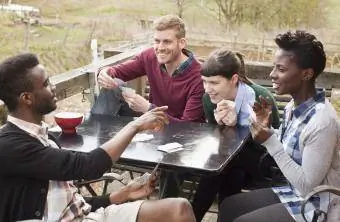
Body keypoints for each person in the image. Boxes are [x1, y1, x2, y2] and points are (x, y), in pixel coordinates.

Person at [0, 53, 196, 222]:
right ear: (27, 98)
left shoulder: (46, 136)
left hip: (87, 216)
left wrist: (122, 194)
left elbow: (74, 204)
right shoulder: (9, 145)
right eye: (45, 84)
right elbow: (89, 165)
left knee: (180, 210)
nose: (53, 87)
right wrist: (135, 125)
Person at [218, 31, 340, 222]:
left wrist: (270, 141)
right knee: (230, 206)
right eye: (274, 67)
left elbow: (307, 186)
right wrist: (268, 129)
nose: (272, 75)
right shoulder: (294, 107)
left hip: (319, 205)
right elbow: (292, 149)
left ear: (306, 74)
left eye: (281, 69)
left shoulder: (322, 122)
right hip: (294, 192)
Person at [191, 49, 281, 221]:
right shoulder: (208, 100)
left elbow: (274, 142)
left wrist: (238, 126)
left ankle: (193, 216)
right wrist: (222, 126)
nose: (208, 89)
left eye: (214, 83)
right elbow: (217, 141)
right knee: (230, 172)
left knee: (219, 168)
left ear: (233, 79)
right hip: (231, 163)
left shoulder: (260, 96)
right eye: (204, 82)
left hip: (263, 160)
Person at [97, 14, 205, 123]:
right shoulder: (150, 56)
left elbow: (188, 129)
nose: (160, 48)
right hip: (152, 121)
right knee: (113, 86)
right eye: (157, 41)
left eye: (167, 42)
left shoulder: (200, 77)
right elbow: (116, 71)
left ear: (182, 43)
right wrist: (105, 73)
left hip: (179, 133)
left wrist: (148, 108)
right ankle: (97, 133)